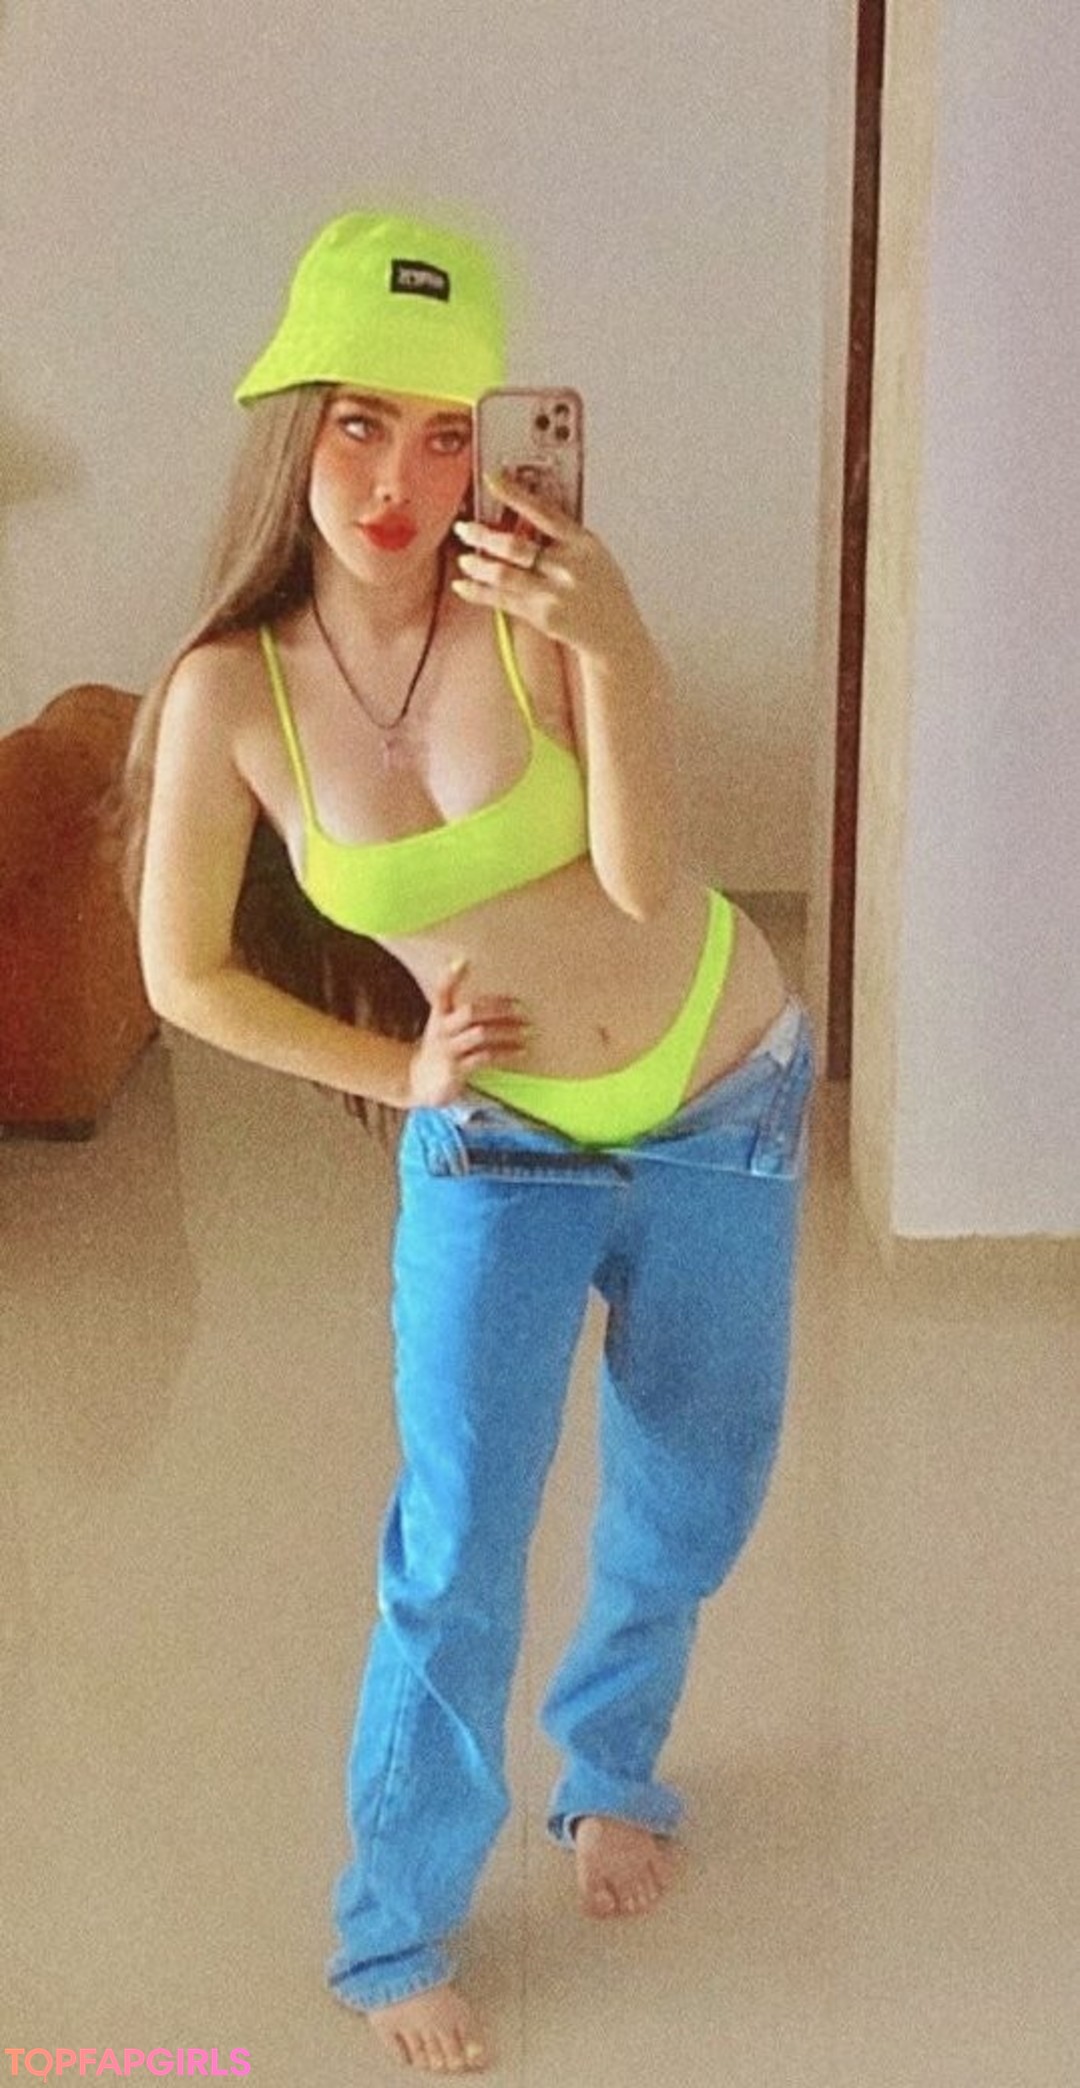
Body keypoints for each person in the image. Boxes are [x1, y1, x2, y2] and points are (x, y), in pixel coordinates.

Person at [121, 211, 816, 2075]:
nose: (402, 482)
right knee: (455, 1543)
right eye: (361, 423)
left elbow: (644, 880)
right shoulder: (230, 691)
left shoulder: (536, 608)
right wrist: (397, 1064)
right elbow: (181, 973)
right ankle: (394, 1928)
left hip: (727, 1092)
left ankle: (612, 1770)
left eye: (447, 433)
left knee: (696, 1480)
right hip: (497, 1138)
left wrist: (618, 643)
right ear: (293, 426)